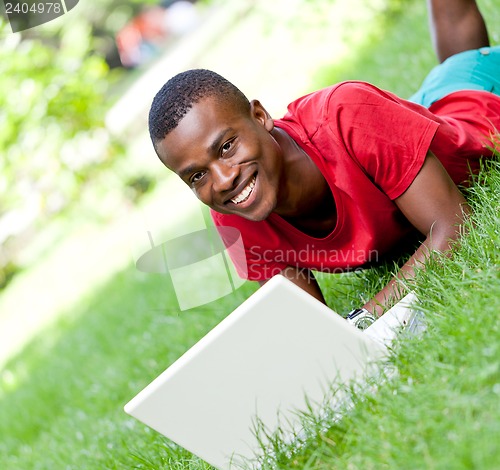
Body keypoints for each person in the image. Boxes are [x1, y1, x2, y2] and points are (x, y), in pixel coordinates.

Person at [147, 0, 500, 325]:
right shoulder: (235, 211)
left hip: (477, 103)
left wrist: (366, 316)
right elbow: (317, 329)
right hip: (397, 128)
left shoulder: (346, 115)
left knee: (461, 63)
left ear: (260, 116)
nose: (222, 180)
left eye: (225, 147)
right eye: (196, 176)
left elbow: (454, 227)